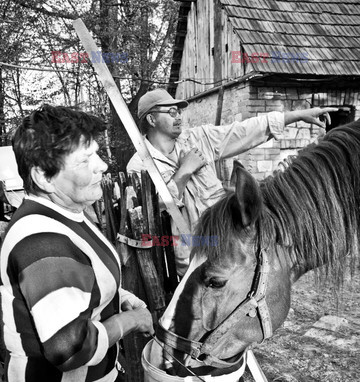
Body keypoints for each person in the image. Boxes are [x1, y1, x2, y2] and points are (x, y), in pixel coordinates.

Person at [0, 105, 156, 382]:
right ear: (44, 175)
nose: (103, 165)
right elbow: (69, 348)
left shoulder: (66, 214)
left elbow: (82, 278)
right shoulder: (42, 241)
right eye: (87, 159)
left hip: (94, 378)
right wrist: (129, 320)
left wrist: (117, 296)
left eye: (98, 154)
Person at [127, 88, 336, 275]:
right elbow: (150, 211)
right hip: (188, 263)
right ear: (152, 120)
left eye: (179, 111)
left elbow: (243, 131)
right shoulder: (138, 166)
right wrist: (184, 171)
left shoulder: (198, 139)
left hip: (226, 250)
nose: (179, 117)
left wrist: (297, 115)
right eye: (171, 112)